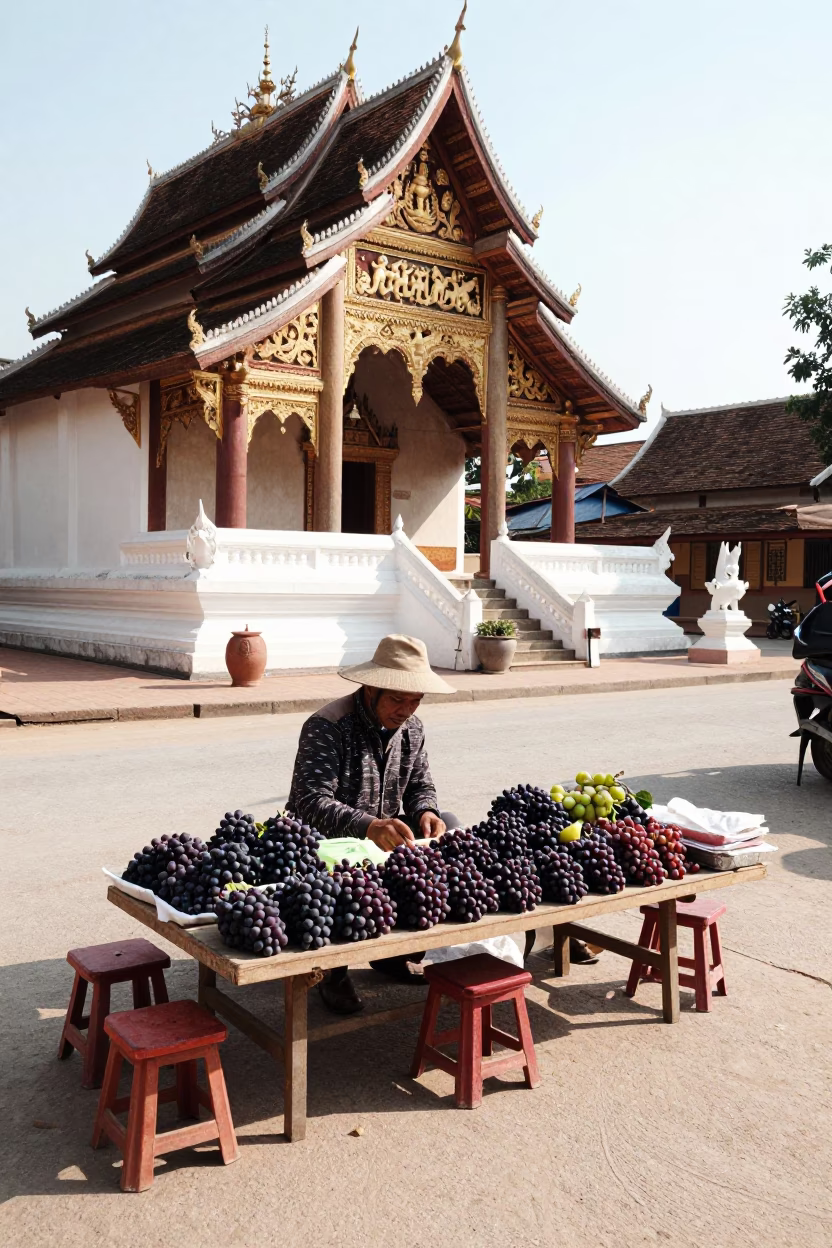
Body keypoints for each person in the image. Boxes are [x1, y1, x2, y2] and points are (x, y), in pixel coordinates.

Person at [287, 633, 458, 1014]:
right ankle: (331, 971)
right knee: (334, 885)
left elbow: (419, 784)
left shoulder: (412, 729)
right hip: (324, 840)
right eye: (397, 699)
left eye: (415, 700)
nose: (406, 709)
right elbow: (309, 801)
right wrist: (367, 825)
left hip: (382, 837)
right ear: (370, 688)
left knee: (450, 826)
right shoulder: (327, 725)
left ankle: (395, 952)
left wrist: (427, 810)